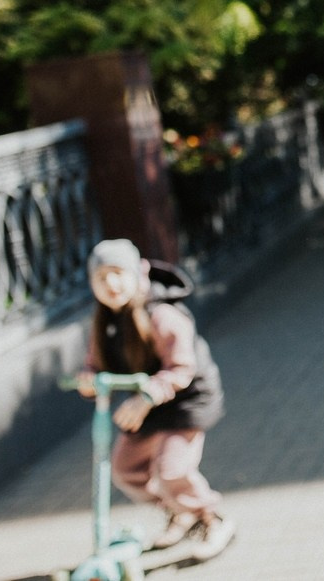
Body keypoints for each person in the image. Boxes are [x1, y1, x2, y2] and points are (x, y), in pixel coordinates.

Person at [76, 239, 235, 561]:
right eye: (101, 278)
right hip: (147, 399)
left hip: (186, 398)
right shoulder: (104, 321)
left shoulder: (162, 314)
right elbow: (95, 362)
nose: (111, 284)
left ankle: (212, 519)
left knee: (172, 470)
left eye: (118, 273)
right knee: (125, 468)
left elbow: (182, 367)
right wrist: (89, 379)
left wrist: (146, 397)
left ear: (138, 273)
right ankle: (181, 511)